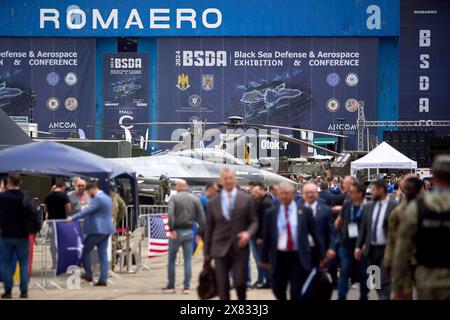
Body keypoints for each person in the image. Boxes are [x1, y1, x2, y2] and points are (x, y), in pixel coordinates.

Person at [392, 155, 450, 300]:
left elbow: (402, 248)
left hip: (427, 278)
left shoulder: (416, 207)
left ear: (433, 173)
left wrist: (399, 286)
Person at [262, 183, 325, 300]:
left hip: (298, 256)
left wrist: (322, 255)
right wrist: (264, 258)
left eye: (287, 193)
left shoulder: (304, 211)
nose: (284, 196)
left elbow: (315, 234)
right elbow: (267, 237)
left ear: (293, 194)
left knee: (296, 290)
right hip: (279, 256)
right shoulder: (271, 213)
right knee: (277, 288)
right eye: (281, 193)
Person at [204, 168, 257, 300]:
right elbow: (209, 227)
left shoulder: (246, 199)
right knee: (222, 286)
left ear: (235, 180)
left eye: (230, 178)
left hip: (240, 247)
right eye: (225, 178)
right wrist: (207, 253)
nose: (228, 181)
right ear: (221, 181)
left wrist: (248, 233)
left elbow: (254, 221)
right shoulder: (213, 203)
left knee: (240, 283)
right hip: (219, 248)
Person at [354, 179, 397, 300]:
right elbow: (363, 228)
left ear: (381, 190)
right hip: (371, 250)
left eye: (373, 189)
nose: (371, 192)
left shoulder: (393, 206)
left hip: (386, 249)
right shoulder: (369, 206)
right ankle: (382, 296)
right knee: (375, 280)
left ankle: (385, 297)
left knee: (384, 279)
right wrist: (358, 246)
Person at [0, 174, 40, 299]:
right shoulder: (26, 195)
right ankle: (24, 291)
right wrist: (34, 229)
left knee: (6, 263)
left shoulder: (2, 197)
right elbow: (35, 213)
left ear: (8, 182)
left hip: (6, 234)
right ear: (20, 182)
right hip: (23, 235)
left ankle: (8, 290)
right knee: (23, 263)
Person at [68, 181, 115, 286]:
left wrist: (73, 217)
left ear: (92, 189)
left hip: (98, 229)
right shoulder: (106, 197)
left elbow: (87, 211)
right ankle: (103, 279)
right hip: (107, 229)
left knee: (84, 251)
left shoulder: (98, 198)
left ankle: (89, 273)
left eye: (88, 193)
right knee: (102, 254)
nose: (88, 195)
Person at [164, 180, 205, 294]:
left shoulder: (174, 198)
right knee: (188, 260)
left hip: (176, 231)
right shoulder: (195, 199)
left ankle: (171, 286)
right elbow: (201, 217)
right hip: (189, 230)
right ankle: (186, 287)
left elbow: (170, 214)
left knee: (171, 259)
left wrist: (171, 229)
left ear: (179, 187)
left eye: (176, 185)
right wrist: (200, 233)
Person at [335, 182, 369, 300]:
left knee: (363, 274)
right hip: (346, 244)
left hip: (362, 246)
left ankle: (364, 296)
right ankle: (341, 296)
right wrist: (339, 227)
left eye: (351, 192)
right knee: (344, 270)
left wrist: (365, 244)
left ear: (360, 194)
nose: (349, 194)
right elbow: (339, 220)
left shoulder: (367, 207)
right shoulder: (347, 205)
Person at [384, 175, 422, 281]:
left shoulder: (426, 206)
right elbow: (391, 236)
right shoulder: (396, 207)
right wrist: (388, 260)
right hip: (402, 256)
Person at [302, 182, 336, 267]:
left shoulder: (326, 210)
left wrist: (332, 247)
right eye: (307, 192)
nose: (310, 195)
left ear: (317, 194)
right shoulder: (296, 209)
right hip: (302, 249)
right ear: (302, 194)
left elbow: (331, 230)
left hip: (321, 249)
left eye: (312, 192)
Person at [249, 181, 274, 289]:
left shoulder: (266, 203)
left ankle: (268, 281)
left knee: (263, 260)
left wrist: (262, 237)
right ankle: (262, 280)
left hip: (260, 237)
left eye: (255, 191)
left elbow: (266, 222)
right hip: (256, 236)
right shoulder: (259, 201)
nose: (253, 193)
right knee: (259, 259)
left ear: (262, 191)